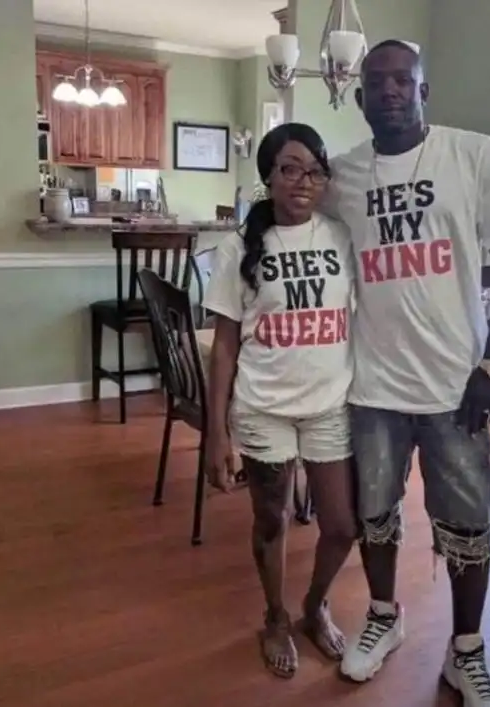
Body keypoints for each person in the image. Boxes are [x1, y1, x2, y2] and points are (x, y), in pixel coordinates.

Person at [325, 40, 490, 706]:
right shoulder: (341, 178)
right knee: (375, 514)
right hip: (372, 385)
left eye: (402, 79)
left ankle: (465, 650)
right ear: (360, 97)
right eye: (376, 81)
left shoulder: (472, 155)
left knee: (469, 523)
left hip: (456, 386)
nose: (389, 90)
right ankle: (383, 616)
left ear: (423, 91)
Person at [203, 123, 358, 679]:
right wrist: (216, 433)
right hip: (263, 407)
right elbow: (224, 347)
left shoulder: (341, 236)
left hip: (330, 404)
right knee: (273, 519)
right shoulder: (238, 247)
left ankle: (315, 605)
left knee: (342, 524)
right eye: (290, 169)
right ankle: (275, 616)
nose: (303, 181)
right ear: (268, 176)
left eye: (314, 171)